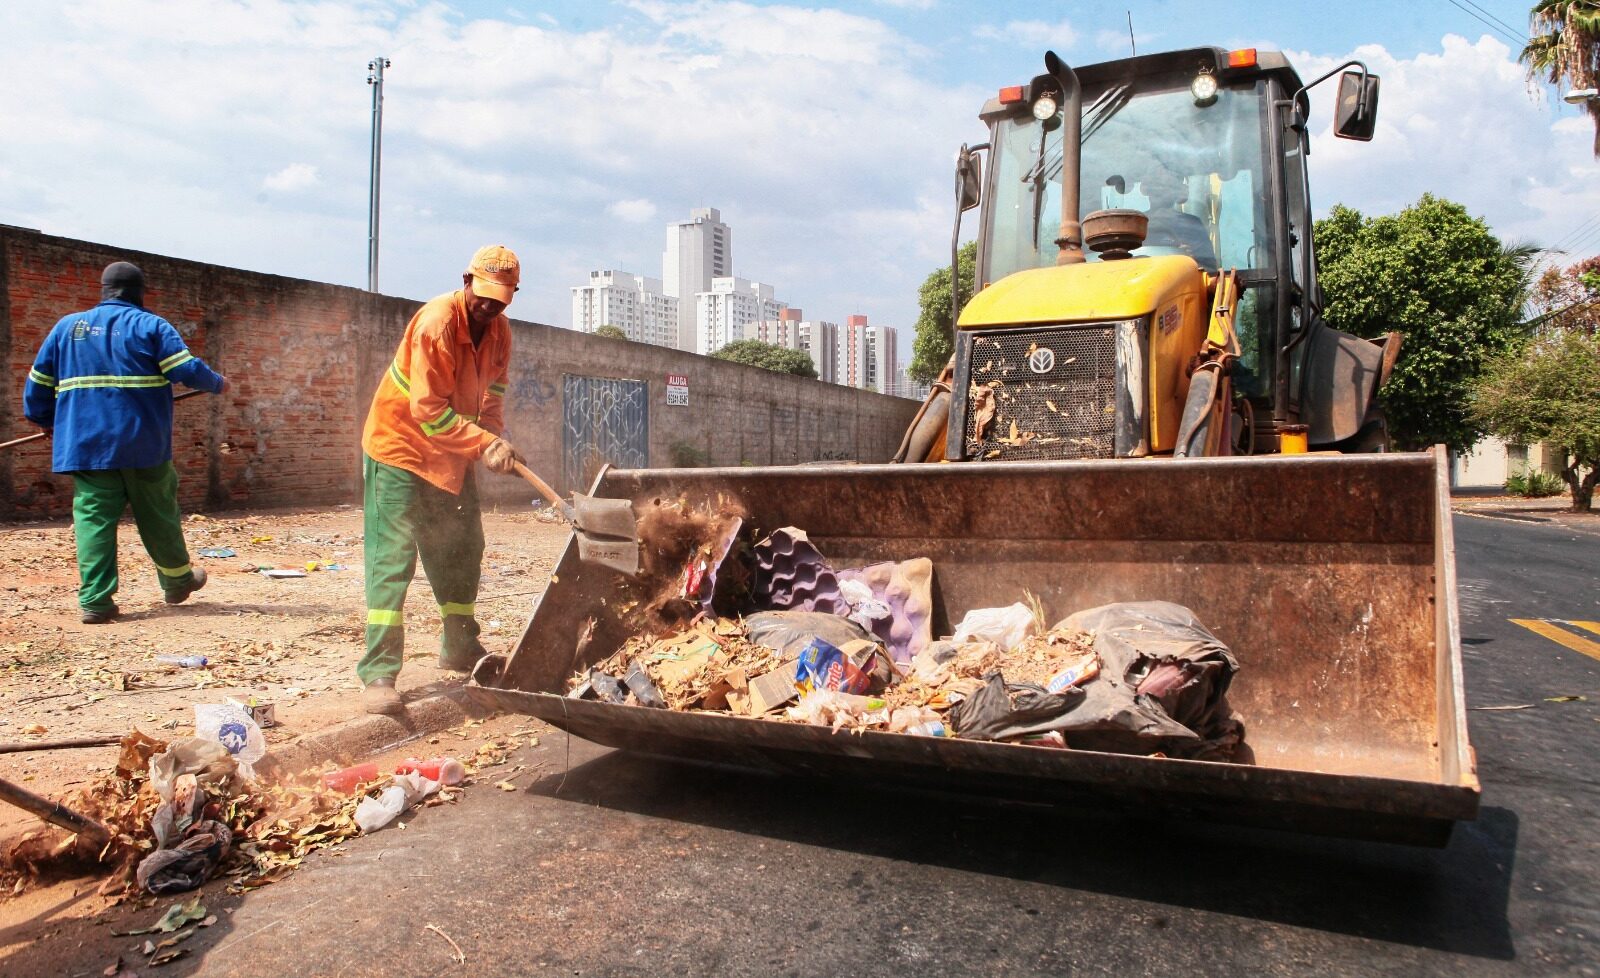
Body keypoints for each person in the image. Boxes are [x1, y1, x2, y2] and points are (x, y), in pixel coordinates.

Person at [358, 245, 525, 715]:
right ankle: (379, 672)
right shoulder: (436, 323)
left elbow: (492, 398)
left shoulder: (500, 333)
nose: (489, 306)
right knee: (393, 557)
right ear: (466, 280)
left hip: (449, 455)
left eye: (501, 299)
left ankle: (459, 645)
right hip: (401, 449)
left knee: (463, 545)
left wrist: (494, 438)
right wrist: (481, 445)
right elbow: (428, 412)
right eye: (483, 295)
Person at [22, 262, 227, 624]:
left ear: (104, 290)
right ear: (139, 292)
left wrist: (46, 420)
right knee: (158, 514)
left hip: (84, 445)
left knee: (93, 522)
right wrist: (217, 383)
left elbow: (38, 385)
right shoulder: (151, 325)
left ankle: (96, 602)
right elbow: (186, 370)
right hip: (142, 443)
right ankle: (178, 581)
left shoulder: (67, 328)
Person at [1139, 173, 1218, 271]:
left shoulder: (1192, 225)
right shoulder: (1135, 224)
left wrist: (1190, 259)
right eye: (1155, 186)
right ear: (1146, 190)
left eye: (1167, 186)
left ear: (1178, 192)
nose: (1159, 190)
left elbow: (1210, 272)